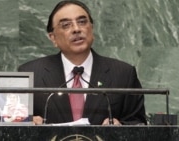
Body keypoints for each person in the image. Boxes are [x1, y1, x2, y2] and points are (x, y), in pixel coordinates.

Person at [18, 0, 147, 125]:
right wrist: (27, 123)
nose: (76, 29)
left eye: (82, 22)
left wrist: (120, 128)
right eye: (66, 25)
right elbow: (10, 122)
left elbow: (138, 124)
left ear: (92, 28)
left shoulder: (123, 74)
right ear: (53, 38)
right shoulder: (31, 74)